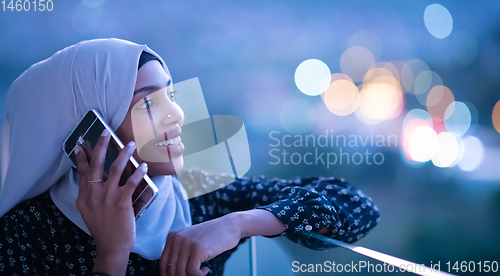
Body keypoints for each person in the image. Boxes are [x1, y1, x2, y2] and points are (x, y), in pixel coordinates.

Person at [0, 38, 380, 276]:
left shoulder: (199, 196)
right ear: (92, 129)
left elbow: (356, 207)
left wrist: (238, 225)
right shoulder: (23, 235)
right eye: (149, 103)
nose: (177, 115)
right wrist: (111, 254)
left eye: (172, 96)